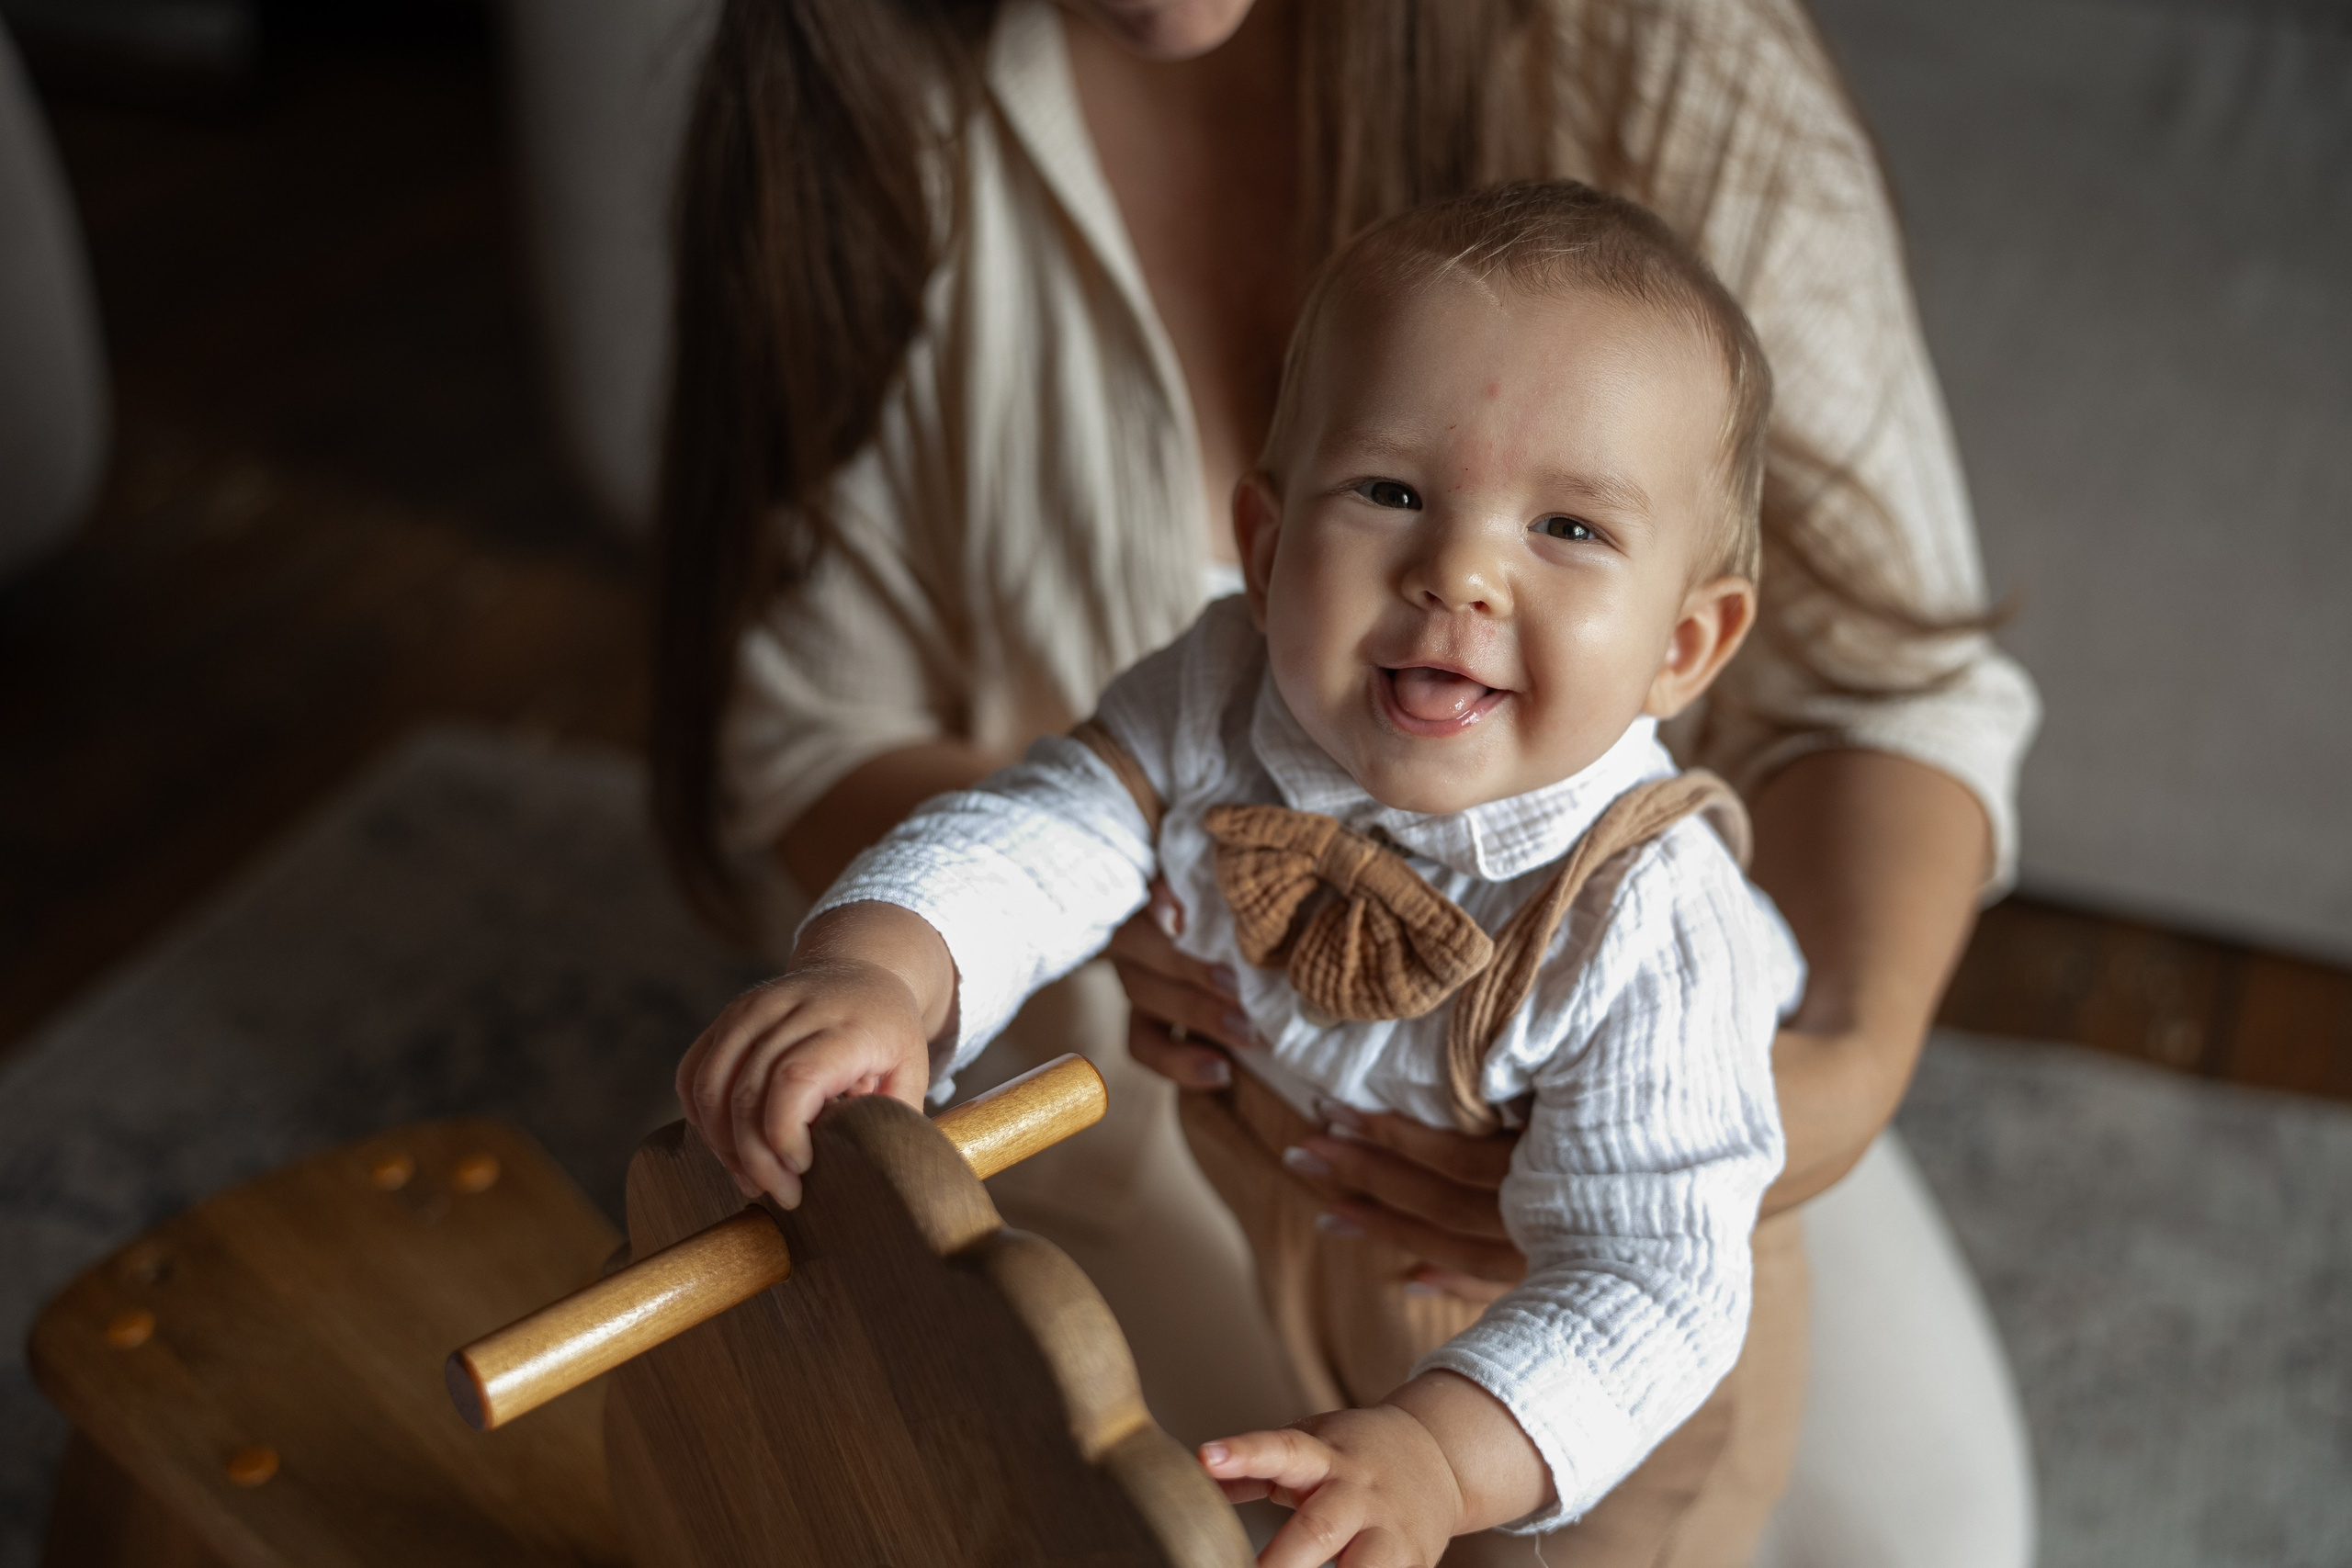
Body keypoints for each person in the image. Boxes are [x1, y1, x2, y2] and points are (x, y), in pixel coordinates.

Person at [650, 2, 2040, 1563]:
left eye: (1567, 531)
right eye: (1388, 492)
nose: (1461, 572)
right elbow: (1046, 825)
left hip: (1606, 1363)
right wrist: (885, 971)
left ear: (1685, 646)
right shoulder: (1224, 686)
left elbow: (1653, 1287)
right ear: (1260, 547)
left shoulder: (1655, 920)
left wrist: (1445, 1456)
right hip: (1302, 1225)